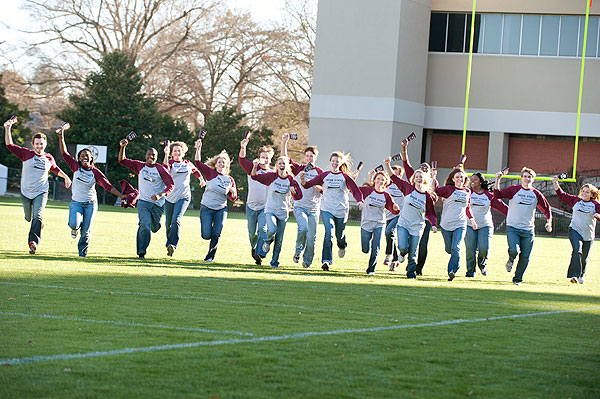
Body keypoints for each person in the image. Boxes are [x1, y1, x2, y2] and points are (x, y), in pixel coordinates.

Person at [4, 117, 71, 254]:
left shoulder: (48, 158)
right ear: (33, 144)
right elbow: (10, 145)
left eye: (42, 144)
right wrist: (7, 128)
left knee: (37, 216)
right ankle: (38, 224)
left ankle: (33, 242)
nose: (39, 146)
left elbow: (55, 169)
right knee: (29, 217)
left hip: (41, 191)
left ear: (45, 145)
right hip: (26, 192)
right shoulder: (26, 154)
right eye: (37, 144)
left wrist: (66, 177)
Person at [57, 126, 124, 257]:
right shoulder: (75, 166)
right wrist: (61, 136)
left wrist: (121, 195)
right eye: (82, 156)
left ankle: (82, 251)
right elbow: (64, 153)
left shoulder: (95, 172)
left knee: (86, 231)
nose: (85, 158)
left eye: (87, 156)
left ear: (92, 158)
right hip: (76, 202)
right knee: (73, 223)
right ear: (79, 158)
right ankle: (76, 228)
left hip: (90, 204)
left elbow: (107, 186)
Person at [300, 151, 364, 271]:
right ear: (330, 162)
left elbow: (355, 191)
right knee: (328, 232)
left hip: (341, 210)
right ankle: (326, 261)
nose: (335, 163)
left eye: (337, 162)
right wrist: (303, 179)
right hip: (326, 209)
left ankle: (342, 245)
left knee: (339, 235)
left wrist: (360, 201)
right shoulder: (324, 175)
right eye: (333, 161)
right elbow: (307, 185)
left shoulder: (345, 177)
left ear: (341, 163)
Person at [494, 167, 552, 285]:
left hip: (528, 229)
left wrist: (549, 222)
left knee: (525, 256)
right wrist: (497, 180)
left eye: (529, 177)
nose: (527, 179)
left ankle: (517, 279)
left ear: (533, 179)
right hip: (513, 227)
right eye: (525, 176)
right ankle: (511, 259)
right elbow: (497, 195)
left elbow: (547, 209)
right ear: (521, 178)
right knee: (514, 250)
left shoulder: (536, 194)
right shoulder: (514, 190)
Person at [119, 139, 174, 259]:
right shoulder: (140, 166)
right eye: (149, 154)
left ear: (156, 157)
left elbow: (171, 185)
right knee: (144, 224)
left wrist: (160, 194)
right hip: (144, 202)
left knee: (153, 227)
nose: (151, 156)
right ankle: (141, 252)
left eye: (153, 155)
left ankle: (156, 225)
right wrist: (123, 147)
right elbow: (122, 161)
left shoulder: (161, 169)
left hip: (158, 205)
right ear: (145, 156)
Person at [386, 158, 437, 279]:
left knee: (413, 253)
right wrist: (387, 163)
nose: (419, 178)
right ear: (413, 179)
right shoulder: (407, 188)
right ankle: (402, 253)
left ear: (425, 180)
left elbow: (430, 213)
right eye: (417, 176)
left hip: (417, 226)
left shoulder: (427, 196)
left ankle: (411, 274)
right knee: (403, 247)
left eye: (421, 176)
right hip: (403, 223)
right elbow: (393, 177)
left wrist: (434, 224)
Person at [251, 156, 302, 268]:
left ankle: (274, 262)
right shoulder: (271, 176)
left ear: (287, 166)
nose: (282, 165)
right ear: (277, 166)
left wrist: (294, 191)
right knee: (271, 229)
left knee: (279, 240)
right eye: (279, 163)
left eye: (284, 163)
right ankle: (267, 241)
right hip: (270, 210)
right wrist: (255, 166)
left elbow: (299, 196)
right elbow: (254, 177)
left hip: (283, 213)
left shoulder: (290, 179)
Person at [281, 134, 323, 268]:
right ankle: (298, 251)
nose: (309, 158)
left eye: (312, 156)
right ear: (305, 157)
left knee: (312, 237)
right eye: (308, 156)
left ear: (315, 157)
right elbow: (285, 160)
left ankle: (308, 260)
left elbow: (324, 190)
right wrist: (284, 142)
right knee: (303, 228)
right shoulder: (300, 168)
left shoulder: (320, 172)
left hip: (314, 208)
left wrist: (316, 185)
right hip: (300, 206)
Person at [194, 140, 237, 262]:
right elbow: (198, 163)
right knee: (206, 234)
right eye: (219, 162)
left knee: (217, 233)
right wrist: (198, 149)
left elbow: (232, 198)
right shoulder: (210, 173)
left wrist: (233, 192)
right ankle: (209, 237)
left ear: (227, 165)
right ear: (215, 163)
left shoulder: (229, 179)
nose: (221, 164)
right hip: (207, 207)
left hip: (221, 209)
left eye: (224, 163)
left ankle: (210, 256)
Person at [552, 177, 600, 284]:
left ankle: (581, 274)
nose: (584, 193)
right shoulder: (576, 201)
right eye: (583, 191)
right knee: (577, 251)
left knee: (584, 257)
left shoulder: (596, 205)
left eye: (587, 192)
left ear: (592, 195)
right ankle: (574, 275)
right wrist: (555, 183)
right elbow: (561, 195)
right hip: (574, 230)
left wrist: (598, 215)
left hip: (588, 234)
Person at [162, 141, 205, 257]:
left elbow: (196, 171)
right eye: (174, 150)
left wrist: (201, 179)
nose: (177, 152)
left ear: (183, 152)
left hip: (184, 197)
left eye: (179, 150)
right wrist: (165, 155)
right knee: (168, 224)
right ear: (172, 153)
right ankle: (169, 243)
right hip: (170, 197)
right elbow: (165, 169)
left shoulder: (187, 163)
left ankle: (172, 245)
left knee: (176, 220)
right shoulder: (170, 162)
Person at [401, 139, 438, 275]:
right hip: (410, 216)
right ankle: (410, 262)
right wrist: (405, 149)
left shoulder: (432, 182)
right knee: (407, 243)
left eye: (425, 169)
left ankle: (419, 268)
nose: (423, 171)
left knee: (422, 245)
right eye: (421, 168)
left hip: (425, 218)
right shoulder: (414, 179)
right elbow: (406, 164)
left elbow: (435, 197)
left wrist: (433, 180)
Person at [435, 167, 477, 281]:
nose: (459, 179)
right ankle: (453, 262)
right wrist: (434, 177)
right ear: (453, 179)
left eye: (461, 177)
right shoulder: (449, 189)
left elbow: (467, 207)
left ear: (465, 179)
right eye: (457, 177)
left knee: (456, 248)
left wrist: (472, 219)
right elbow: (436, 191)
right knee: (449, 249)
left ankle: (452, 271)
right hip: (446, 224)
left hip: (461, 223)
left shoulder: (467, 191)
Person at [465, 172, 508, 277]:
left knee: (484, 248)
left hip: (485, 225)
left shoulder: (488, 195)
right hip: (469, 225)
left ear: (480, 182)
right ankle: (470, 272)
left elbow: (502, 207)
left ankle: (482, 265)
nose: (472, 181)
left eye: (475, 179)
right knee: (470, 250)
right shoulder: (467, 192)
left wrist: (515, 214)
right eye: (471, 179)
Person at [239, 138, 274, 265]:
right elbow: (242, 160)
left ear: (270, 159)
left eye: (267, 157)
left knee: (263, 230)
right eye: (262, 156)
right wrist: (243, 147)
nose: (265, 159)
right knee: (252, 232)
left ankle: (259, 254)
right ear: (259, 158)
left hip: (265, 207)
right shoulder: (252, 169)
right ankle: (254, 246)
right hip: (251, 206)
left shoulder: (273, 173)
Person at [358, 170, 400, 275]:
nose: (380, 181)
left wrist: (396, 208)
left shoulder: (386, 195)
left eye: (382, 179)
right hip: (366, 223)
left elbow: (393, 209)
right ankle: (366, 252)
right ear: (375, 180)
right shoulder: (367, 190)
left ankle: (371, 269)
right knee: (365, 249)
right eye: (378, 179)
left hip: (379, 223)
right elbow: (354, 190)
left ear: (385, 182)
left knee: (376, 246)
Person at [383, 161, 405, 271]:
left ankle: (388, 255)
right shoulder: (386, 184)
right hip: (388, 215)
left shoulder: (404, 186)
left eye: (397, 174)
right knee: (390, 237)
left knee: (388, 231)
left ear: (401, 175)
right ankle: (395, 260)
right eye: (392, 173)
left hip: (400, 215)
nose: (394, 176)